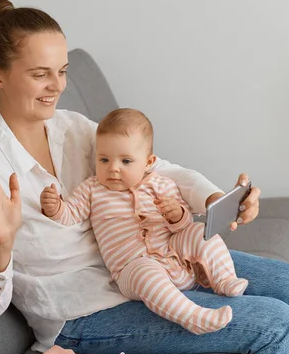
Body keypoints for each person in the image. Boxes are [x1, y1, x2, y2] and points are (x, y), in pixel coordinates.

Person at [0, 0, 289, 354]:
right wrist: (2, 244)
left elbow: (157, 168)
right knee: (275, 323)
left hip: (150, 255)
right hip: (83, 314)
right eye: (40, 74)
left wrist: (217, 200)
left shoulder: (75, 128)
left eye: (62, 71)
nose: (57, 86)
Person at [40, 108, 249, 335]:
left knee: (198, 231)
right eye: (104, 159)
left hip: (175, 256)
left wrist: (176, 215)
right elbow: (70, 214)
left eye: (126, 161)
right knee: (146, 273)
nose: (113, 168)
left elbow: (182, 226)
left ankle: (224, 279)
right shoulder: (92, 189)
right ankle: (193, 316)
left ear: (148, 162)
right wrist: (56, 207)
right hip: (132, 269)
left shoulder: (160, 184)